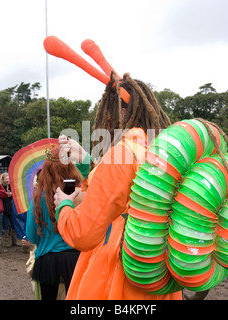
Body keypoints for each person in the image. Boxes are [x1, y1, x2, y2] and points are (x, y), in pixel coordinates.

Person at [54, 73, 181, 299]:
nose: (106, 120)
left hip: (117, 272)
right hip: (156, 269)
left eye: (108, 111)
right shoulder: (162, 152)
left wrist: (63, 206)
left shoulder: (122, 154)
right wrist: (85, 159)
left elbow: (83, 233)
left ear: (121, 112)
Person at [26, 146, 83, 300]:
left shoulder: (39, 198)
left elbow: (31, 235)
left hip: (47, 260)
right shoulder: (79, 194)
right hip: (75, 258)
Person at [0, 173, 16, 247]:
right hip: (4, 208)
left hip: (11, 208)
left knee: (13, 225)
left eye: (9, 179)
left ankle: (14, 241)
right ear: (3, 179)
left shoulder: (12, 186)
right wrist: (6, 194)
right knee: (5, 226)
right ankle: (6, 242)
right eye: (6, 179)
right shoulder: (0, 187)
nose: (8, 180)